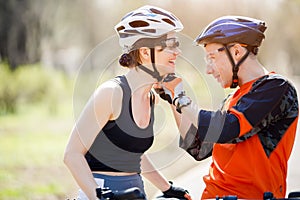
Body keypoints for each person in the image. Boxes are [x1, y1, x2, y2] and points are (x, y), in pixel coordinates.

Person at [156, 16, 299, 199]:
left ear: (237, 52)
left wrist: (181, 98)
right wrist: (171, 99)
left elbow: (229, 128)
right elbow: (198, 148)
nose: (208, 69)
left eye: (212, 57)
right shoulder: (235, 98)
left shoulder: (276, 88)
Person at [63, 5, 192, 200]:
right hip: (101, 191)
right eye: (171, 44)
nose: (178, 51)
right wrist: (99, 196)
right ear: (146, 53)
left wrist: (167, 188)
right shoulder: (111, 94)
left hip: (135, 191)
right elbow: (72, 155)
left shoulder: (150, 97)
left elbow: (134, 154)